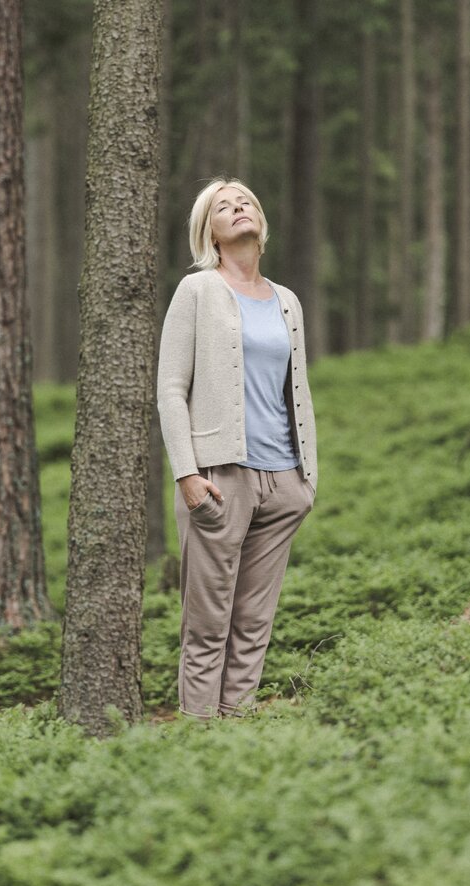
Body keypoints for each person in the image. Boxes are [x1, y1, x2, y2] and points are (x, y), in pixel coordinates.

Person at [156, 177, 319, 719]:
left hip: (284, 480)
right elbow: (170, 389)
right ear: (211, 233)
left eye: (246, 200)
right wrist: (187, 473)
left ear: (259, 219)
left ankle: (237, 732)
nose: (238, 208)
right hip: (219, 479)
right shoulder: (197, 290)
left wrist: (304, 483)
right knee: (207, 624)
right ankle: (200, 739)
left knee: (253, 623)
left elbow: (293, 390)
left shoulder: (287, 300)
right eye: (222, 206)